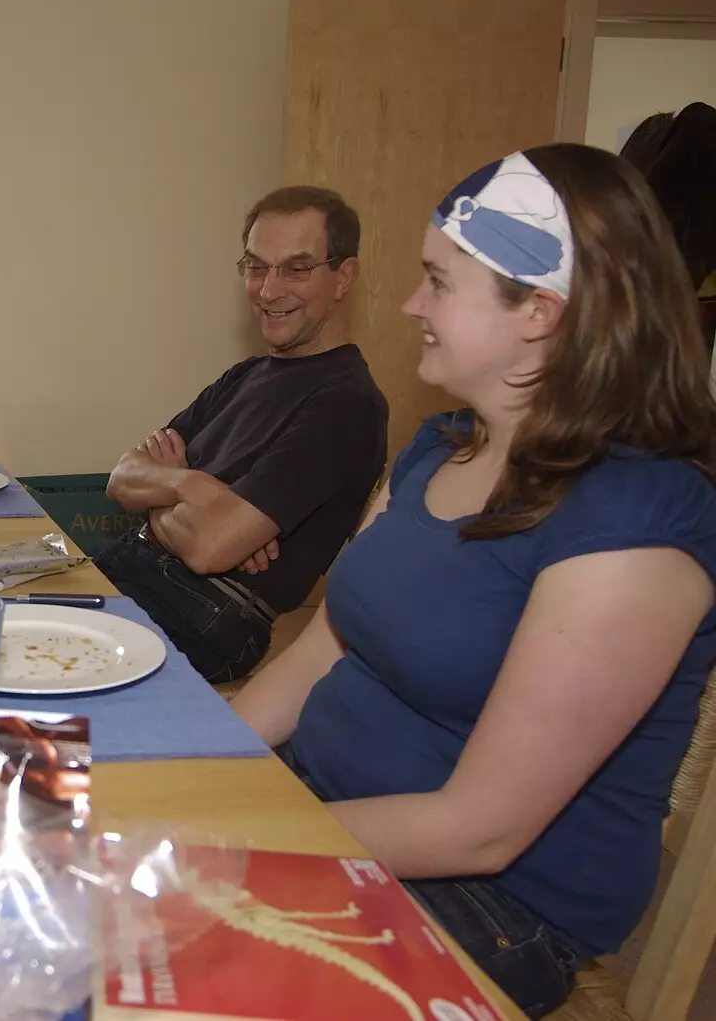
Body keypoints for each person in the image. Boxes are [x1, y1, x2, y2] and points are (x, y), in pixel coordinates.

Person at [231, 145, 716, 1016]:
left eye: (439, 281)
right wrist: (197, 766)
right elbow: (319, 651)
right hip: (322, 802)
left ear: (539, 309)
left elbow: (483, 829)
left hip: (486, 904)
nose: (412, 303)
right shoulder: (438, 447)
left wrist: (239, 838)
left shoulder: (636, 521)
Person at [97, 187, 387, 683]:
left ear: (344, 277)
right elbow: (121, 477)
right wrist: (195, 488)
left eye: (296, 269)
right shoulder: (246, 375)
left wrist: (165, 490)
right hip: (136, 568)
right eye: (256, 266)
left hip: (205, 612)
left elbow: (210, 548)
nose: (269, 290)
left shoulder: (345, 404)